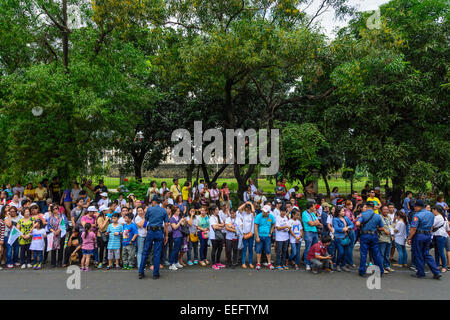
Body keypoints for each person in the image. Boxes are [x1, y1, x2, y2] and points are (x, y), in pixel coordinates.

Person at [407, 200, 441, 279]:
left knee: (418, 253)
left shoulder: (416, 215)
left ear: (419, 207)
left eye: (415, 206)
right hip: (428, 235)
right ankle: (436, 272)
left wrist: (409, 238)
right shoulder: (431, 214)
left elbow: (413, 228)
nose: (414, 207)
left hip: (419, 236)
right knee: (426, 253)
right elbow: (432, 226)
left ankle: (420, 273)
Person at [138, 196, 169, 280]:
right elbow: (166, 224)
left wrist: (146, 229)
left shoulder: (149, 209)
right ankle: (155, 273)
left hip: (151, 231)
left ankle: (141, 272)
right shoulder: (163, 210)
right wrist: (166, 235)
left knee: (145, 251)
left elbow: (146, 220)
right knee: (157, 252)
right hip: (159, 231)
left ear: (154, 202)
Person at [356, 201, 385, 277]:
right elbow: (382, 227)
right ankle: (380, 270)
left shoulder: (362, 214)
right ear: (373, 207)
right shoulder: (378, 216)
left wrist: (361, 225)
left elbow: (357, 223)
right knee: (376, 254)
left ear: (366, 206)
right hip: (374, 235)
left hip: (364, 235)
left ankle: (362, 271)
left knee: (363, 254)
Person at [302, 201, 322, 271]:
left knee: (314, 248)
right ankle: (307, 263)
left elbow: (317, 222)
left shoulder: (312, 213)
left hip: (314, 232)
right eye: (313, 206)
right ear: (310, 207)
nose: (315, 207)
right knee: (308, 248)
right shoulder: (305, 214)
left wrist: (315, 223)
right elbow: (311, 224)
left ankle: (312, 262)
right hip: (308, 232)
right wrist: (315, 223)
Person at [332, 206, 354, 272]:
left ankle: (343, 265)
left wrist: (348, 227)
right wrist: (343, 229)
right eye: (342, 211)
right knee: (341, 252)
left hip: (346, 237)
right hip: (338, 237)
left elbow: (352, 224)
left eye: (343, 211)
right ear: (338, 212)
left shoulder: (346, 218)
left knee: (346, 252)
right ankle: (338, 264)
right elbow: (336, 228)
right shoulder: (335, 219)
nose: (343, 212)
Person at [254, 204, 276, 270]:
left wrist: (271, 232)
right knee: (258, 250)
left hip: (267, 236)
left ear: (268, 212)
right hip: (260, 235)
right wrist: (257, 237)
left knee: (268, 250)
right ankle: (258, 263)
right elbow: (255, 227)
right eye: (263, 211)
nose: (263, 212)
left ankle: (269, 263)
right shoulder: (258, 216)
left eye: (265, 211)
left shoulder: (271, 217)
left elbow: (273, 224)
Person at [431, 205, 448, 273]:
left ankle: (443, 266)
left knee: (439, 252)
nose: (433, 212)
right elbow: (447, 228)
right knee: (439, 251)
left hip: (438, 235)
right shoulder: (444, 217)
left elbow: (432, 225)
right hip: (442, 235)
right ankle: (439, 265)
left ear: (436, 210)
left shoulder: (437, 217)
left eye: (433, 210)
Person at [378, 205, 395, 273]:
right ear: (381, 210)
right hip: (382, 238)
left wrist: (393, 235)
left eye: (387, 209)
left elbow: (391, 226)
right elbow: (376, 227)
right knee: (381, 253)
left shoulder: (389, 218)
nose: (386, 211)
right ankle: (381, 267)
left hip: (389, 238)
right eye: (384, 209)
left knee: (387, 254)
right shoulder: (379, 217)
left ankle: (387, 266)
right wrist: (384, 230)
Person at [169, 206, 186, 271]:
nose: (179, 212)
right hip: (175, 235)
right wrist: (179, 222)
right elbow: (175, 227)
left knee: (178, 249)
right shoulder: (172, 218)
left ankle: (176, 262)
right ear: (174, 212)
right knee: (175, 250)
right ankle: (171, 264)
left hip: (180, 234)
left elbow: (182, 225)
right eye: (177, 211)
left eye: (179, 211)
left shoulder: (178, 217)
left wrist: (183, 221)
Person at [239, 202, 255, 269]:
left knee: (250, 249)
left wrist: (251, 204)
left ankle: (250, 262)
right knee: (244, 249)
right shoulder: (243, 214)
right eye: (246, 209)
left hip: (251, 234)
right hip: (245, 234)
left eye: (249, 209)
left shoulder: (252, 214)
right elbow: (239, 209)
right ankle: (243, 263)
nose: (248, 210)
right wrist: (246, 203)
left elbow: (253, 211)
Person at [209, 205, 225, 270]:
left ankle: (218, 262)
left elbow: (223, 224)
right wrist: (220, 225)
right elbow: (214, 227)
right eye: (217, 209)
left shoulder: (218, 216)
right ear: (213, 211)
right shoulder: (211, 218)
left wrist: (218, 225)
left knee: (220, 249)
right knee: (214, 249)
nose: (218, 211)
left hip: (219, 235)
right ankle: (213, 263)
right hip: (214, 236)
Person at [275, 206, 290, 270]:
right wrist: (285, 227)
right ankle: (278, 264)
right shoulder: (277, 218)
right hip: (279, 238)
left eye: (284, 211)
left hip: (286, 237)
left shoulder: (286, 218)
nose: (283, 213)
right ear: (280, 211)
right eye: (282, 211)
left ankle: (283, 264)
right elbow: (278, 228)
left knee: (285, 251)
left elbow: (288, 226)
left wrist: (286, 228)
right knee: (279, 251)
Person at [134, 206, 147, 271]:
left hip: (146, 236)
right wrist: (144, 218)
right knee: (140, 251)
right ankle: (139, 265)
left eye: (141, 210)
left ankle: (143, 264)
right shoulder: (137, 218)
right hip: (140, 236)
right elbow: (141, 225)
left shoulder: (146, 216)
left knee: (145, 251)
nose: (140, 212)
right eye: (138, 211)